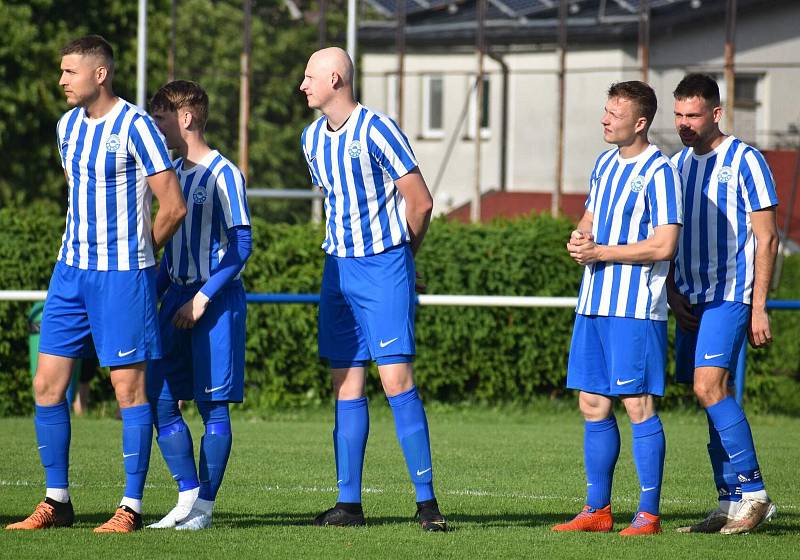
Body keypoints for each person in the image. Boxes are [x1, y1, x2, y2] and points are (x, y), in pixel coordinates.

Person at [6, 35, 186, 533]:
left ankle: (129, 506)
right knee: (47, 385)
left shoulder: (137, 127)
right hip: (70, 272)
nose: (61, 81)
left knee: (128, 389)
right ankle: (56, 502)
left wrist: (136, 254)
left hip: (123, 276)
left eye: (69, 72)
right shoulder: (66, 127)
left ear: (100, 74)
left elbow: (172, 206)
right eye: (61, 72)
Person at [299, 47, 445, 531]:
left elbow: (420, 203)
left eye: (309, 77)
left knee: (396, 381)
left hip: (383, 266)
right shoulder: (311, 139)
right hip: (337, 270)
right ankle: (349, 505)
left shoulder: (379, 129)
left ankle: (427, 506)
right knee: (347, 383)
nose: (303, 85)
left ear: (335, 78)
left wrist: (404, 259)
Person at [553, 81, 682, 536]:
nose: (605, 119)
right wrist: (579, 237)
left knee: (636, 403)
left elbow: (666, 244)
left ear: (640, 122)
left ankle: (648, 515)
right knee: (592, 402)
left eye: (615, 113)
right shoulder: (605, 164)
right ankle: (598, 511)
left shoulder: (661, 171)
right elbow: (589, 220)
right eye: (604, 110)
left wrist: (602, 252)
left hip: (635, 307)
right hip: (594, 301)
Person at [667, 73, 779, 534]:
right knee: (709, 395)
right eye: (678, 116)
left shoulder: (746, 160)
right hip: (690, 300)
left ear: (716, 113)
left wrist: (758, 306)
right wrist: (673, 293)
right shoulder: (677, 166)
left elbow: (767, 237)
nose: (684, 124)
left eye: (692, 115)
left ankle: (754, 495)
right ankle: (727, 501)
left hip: (730, 294)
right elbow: (667, 238)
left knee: (709, 387)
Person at [146, 80, 252, 531]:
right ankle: (187, 497)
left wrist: (203, 299)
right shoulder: (171, 172)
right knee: (160, 401)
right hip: (175, 298)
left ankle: (205, 509)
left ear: (186, 118)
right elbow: (171, 250)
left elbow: (241, 245)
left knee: (213, 408)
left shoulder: (224, 173)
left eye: (163, 120)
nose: (158, 128)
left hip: (215, 302)